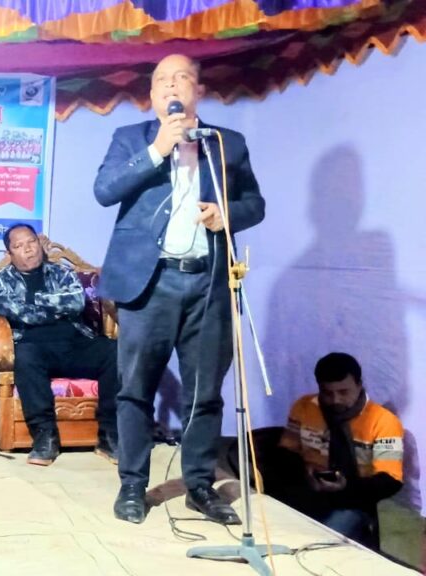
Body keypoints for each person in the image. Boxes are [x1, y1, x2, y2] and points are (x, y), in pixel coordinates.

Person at [94, 53, 266, 524]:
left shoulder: (227, 142)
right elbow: (105, 190)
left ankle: (199, 485)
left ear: (198, 90)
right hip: (149, 284)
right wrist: (157, 150)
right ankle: (133, 485)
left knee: (204, 393)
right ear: (152, 95)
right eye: (162, 80)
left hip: (208, 283)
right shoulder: (130, 138)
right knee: (135, 390)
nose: (171, 86)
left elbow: (255, 203)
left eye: (181, 78)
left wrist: (227, 215)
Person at [0, 223, 120, 466]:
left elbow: (76, 302)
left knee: (116, 352)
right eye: (19, 246)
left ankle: (109, 435)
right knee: (25, 358)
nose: (28, 249)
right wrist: (55, 308)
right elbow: (14, 311)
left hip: (75, 341)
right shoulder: (0, 280)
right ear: (9, 253)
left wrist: (33, 299)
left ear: (40, 244)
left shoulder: (62, 273)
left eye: (32, 242)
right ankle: (45, 436)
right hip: (32, 345)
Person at [276, 353, 403, 549]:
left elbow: (390, 481)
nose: (335, 400)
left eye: (344, 392)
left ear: (359, 385)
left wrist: (346, 487)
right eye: (327, 393)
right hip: (308, 492)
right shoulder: (304, 407)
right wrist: (305, 471)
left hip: (355, 501)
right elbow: (285, 453)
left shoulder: (383, 421)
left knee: (315, 544)